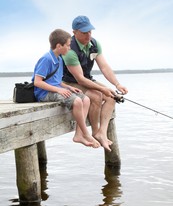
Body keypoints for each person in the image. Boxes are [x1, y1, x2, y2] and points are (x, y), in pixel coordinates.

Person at [62, 16, 128, 151]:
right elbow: (80, 79)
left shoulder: (95, 44)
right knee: (97, 95)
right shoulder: (70, 50)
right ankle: (95, 131)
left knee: (112, 95)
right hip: (69, 81)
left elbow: (104, 67)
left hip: (86, 79)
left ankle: (101, 132)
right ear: (74, 32)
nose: (88, 35)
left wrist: (117, 84)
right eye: (84, 32)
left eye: (90, 31)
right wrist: (102, 89)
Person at [32, 29, 100, 148]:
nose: (69, 48)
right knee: (77, 101)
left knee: (86, 100)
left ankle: (78, 134)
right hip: (44, 93)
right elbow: (37, 82)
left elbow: (57, 82)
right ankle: (86, 133)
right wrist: (59, 90)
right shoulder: (47, 59)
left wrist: (68, 87)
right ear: (59, 46)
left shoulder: (59, 58)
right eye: (68, 45)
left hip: (56, 89)